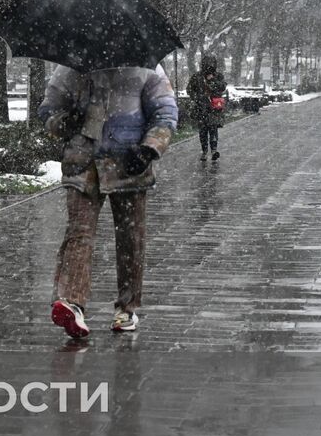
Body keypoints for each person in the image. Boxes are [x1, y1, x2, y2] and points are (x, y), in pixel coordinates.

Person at [37, 64, 178, 337]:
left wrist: (150, 148)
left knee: (130, 238)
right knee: (79, 233)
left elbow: (165, 111)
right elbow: (48, 111)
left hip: (130, 164)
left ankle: (127, 308)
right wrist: (66, 121)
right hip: (83, 165)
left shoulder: (147, 67)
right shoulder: (71, 68)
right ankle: (72, 303)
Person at [186, 55, 228, 161]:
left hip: (213, 108)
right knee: (203, 131)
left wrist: (212, 80)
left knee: (213, 129)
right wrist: (197, 98)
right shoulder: (197, 77)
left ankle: (214, 150)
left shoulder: (218, 76)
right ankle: (204, 151)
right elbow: (189, 90)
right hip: (201, 108)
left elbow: (222, 87)